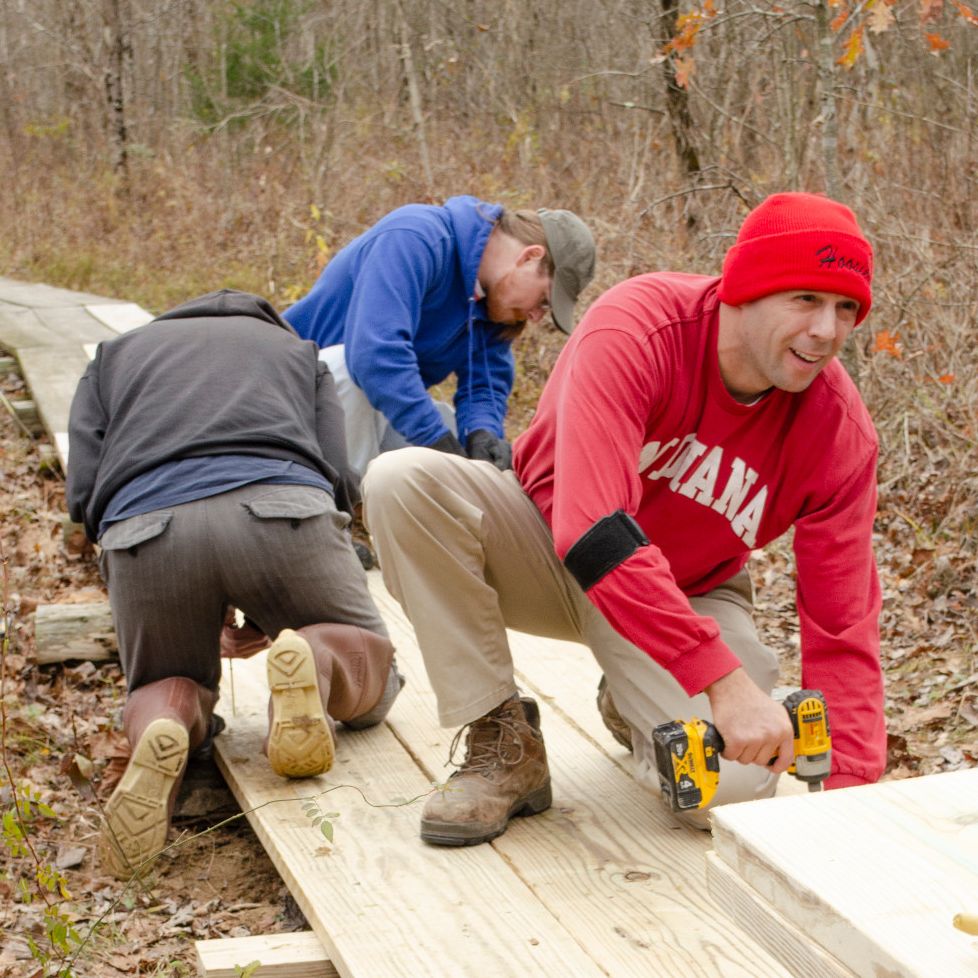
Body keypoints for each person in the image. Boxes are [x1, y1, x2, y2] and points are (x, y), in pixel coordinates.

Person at [361, 192, 887, 846]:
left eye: (846, 309)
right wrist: (721, 682)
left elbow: (842, 621)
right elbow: (593, 529)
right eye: (804, 299)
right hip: (544, 546)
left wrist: (855, 795)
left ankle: (637, 709)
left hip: (690, 590)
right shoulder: (639, 325)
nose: (826, 332)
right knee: (401, 480)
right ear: (745, 291)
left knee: (729, 794)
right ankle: (503, 739)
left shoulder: (839, 433)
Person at [66, 290, 402, 878]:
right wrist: (275, 593)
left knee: (164, 680)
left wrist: (163, 563)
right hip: (281, 512)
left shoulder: (111, 357)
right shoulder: (296, 351)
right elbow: (335, 472)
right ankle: (318, 664)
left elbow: (84, 491)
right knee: (373, 670)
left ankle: (165, 721)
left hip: (146, 530)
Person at [284, 195, 596, 475]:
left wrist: (480, 433)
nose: (537, 316)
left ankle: (376, 512)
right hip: (284, 396)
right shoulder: (416, 237)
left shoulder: (493, 303)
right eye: (544, 300)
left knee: (453, 443)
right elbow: (374, 356)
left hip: (356, 417)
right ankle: (331, 515)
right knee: (345, 368)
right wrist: (435, 440)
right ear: (529, 256)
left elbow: (484, 387)